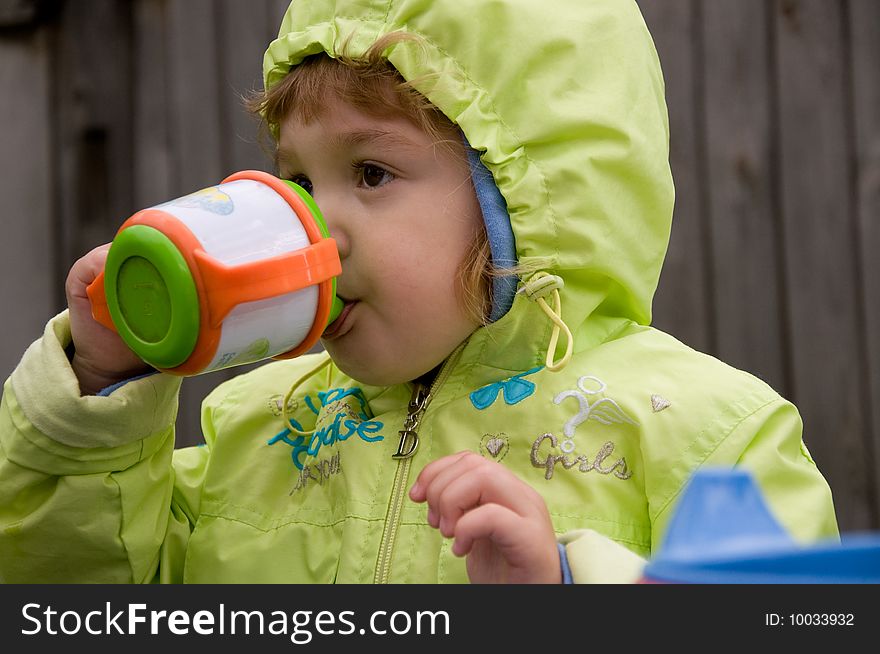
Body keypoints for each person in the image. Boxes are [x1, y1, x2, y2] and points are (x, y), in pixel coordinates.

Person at [0, 0, 837, 584]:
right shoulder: (253, 426)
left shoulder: (708, 436)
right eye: (297, 177)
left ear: (521, 196)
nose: (318, 228)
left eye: (371, 172)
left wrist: (571, 589)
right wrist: (96, 396)